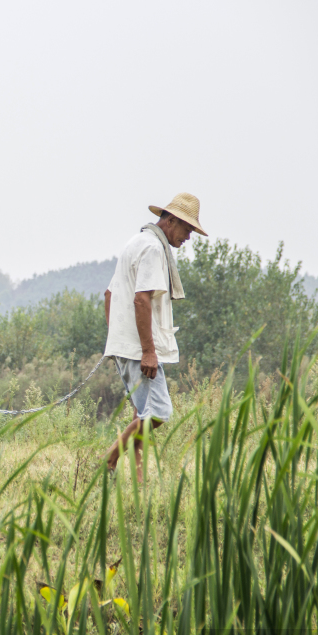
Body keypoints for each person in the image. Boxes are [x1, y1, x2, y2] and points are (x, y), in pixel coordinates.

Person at [102, 193, 207, 481]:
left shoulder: (135, 242)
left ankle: (139, 484)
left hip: (127, 346)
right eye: (187, 230)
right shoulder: (152, 249)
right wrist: (147, 350)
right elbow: (141, 300)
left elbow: (109, 294)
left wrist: (116, 341)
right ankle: (109, 461)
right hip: (139, 350)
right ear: (171, 220)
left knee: (142, 415)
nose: (188, 237)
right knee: (159, 413)